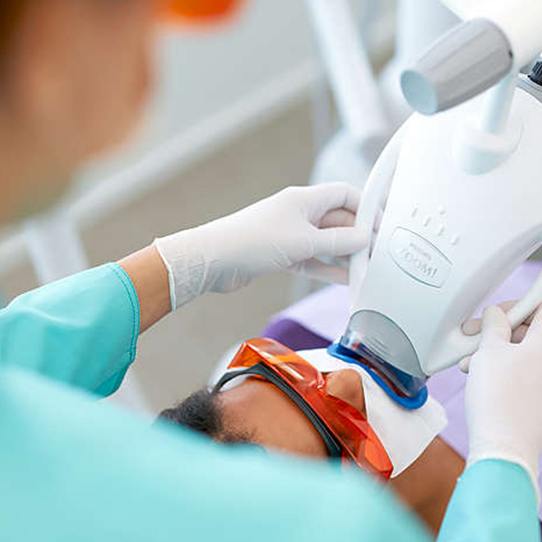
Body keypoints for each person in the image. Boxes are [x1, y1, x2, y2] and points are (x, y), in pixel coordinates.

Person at [0, 1, 541, 540]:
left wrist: (181, 264)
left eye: (279, 370)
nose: (347, 379)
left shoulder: (305, 334)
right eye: (343, 435)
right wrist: (507, 461)